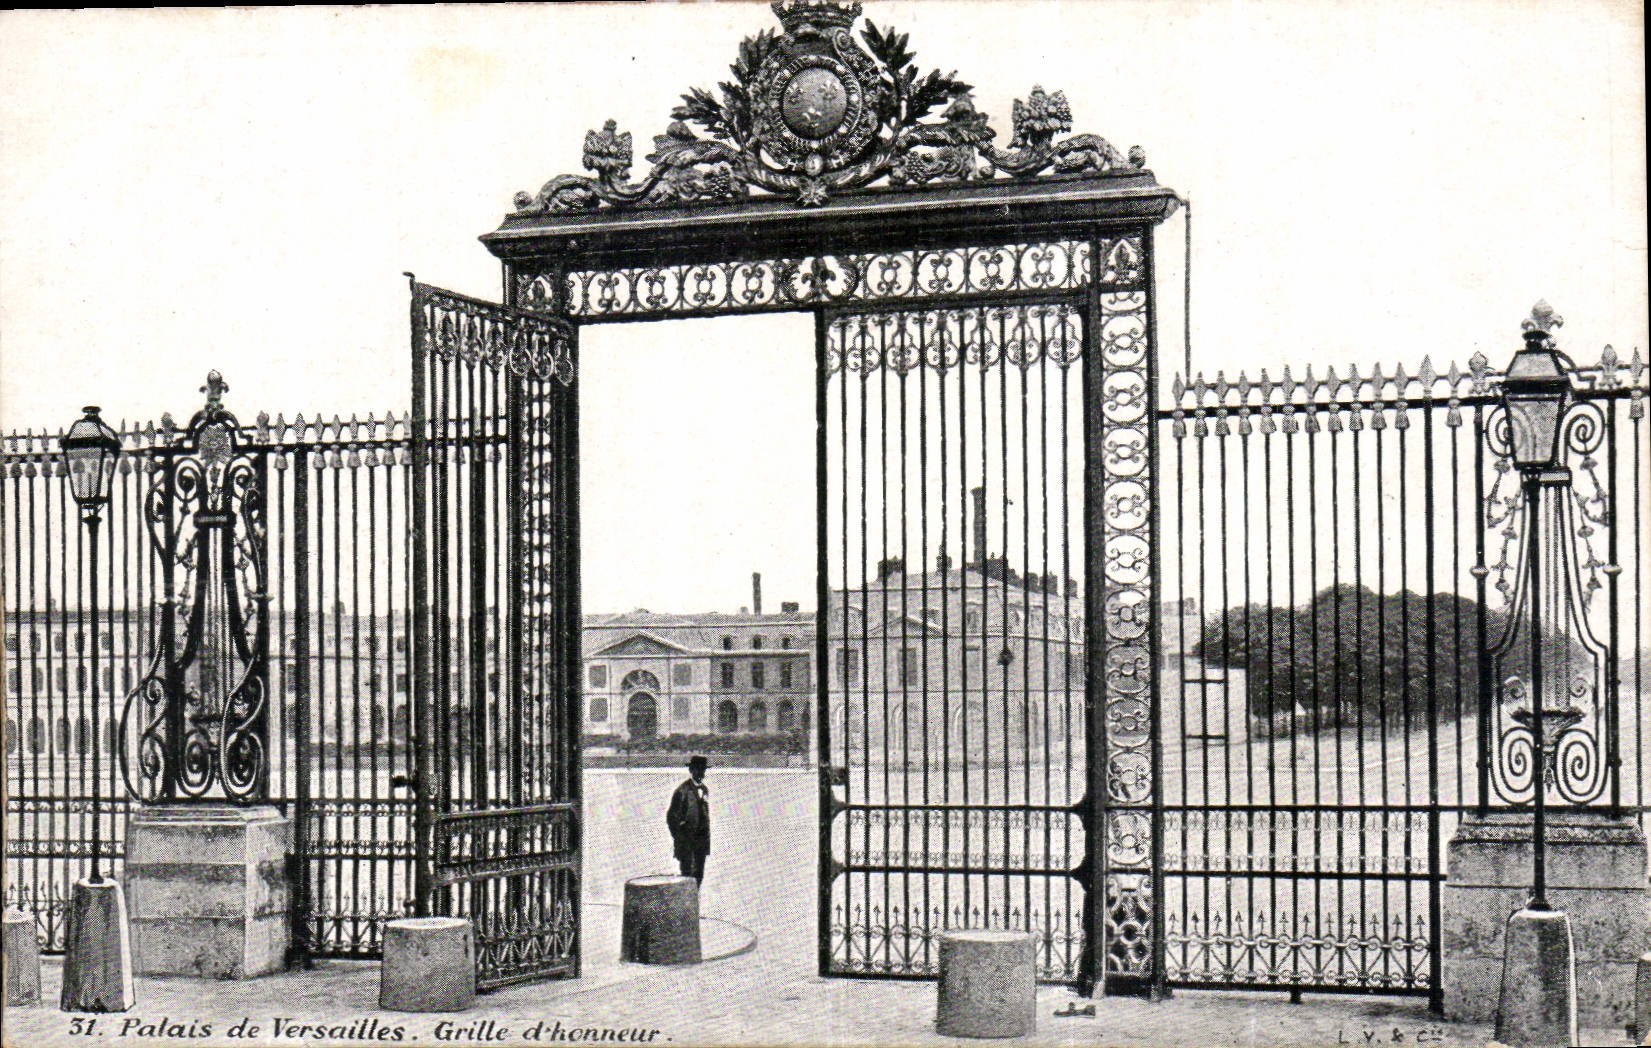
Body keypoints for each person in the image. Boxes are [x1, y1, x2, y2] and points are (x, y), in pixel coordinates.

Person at [665, 754, 711, 882]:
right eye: (697, 769)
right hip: (687, 844)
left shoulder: (705, 789)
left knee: (699, 877)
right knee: (687, 877)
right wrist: (681, 840)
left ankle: (696, 901)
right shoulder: (682, 791)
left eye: (703, 769)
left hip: (701, 844)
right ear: (691, 770)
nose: (700, 772)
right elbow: (671, 818)